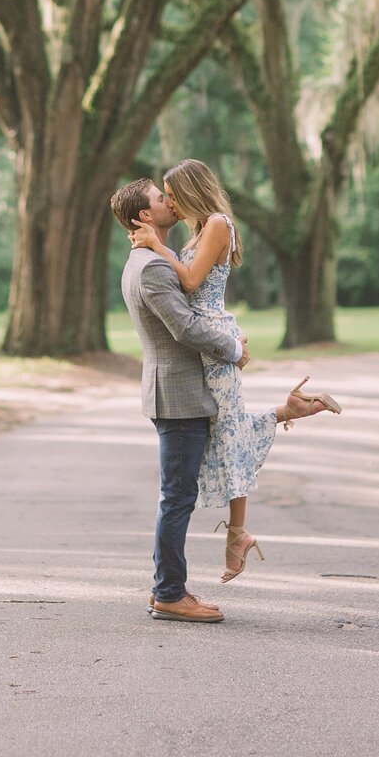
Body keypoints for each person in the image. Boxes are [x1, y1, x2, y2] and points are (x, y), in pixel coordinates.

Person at [129, 159, 340, 587]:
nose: (168, 201)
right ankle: (290, 413)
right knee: (227, 432)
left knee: (228, 433)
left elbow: (188, 282)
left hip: (212, 338)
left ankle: (237, 534)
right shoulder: (198, 229)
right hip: (208, 341)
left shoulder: (218, 224)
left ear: (192, 189)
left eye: (172, 193)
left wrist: (156, 245)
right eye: (162, 196)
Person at [112, 176, 248, 624]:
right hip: (179, 394)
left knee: (177, 495)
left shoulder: (152, 259)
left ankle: (170, 588)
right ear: (145, 216)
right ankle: (169, 592)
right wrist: (233, 348)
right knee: (176, 498)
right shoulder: (150, 268)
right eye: (159, 198)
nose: (169, 202)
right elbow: (186, 328)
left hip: (176, 391)